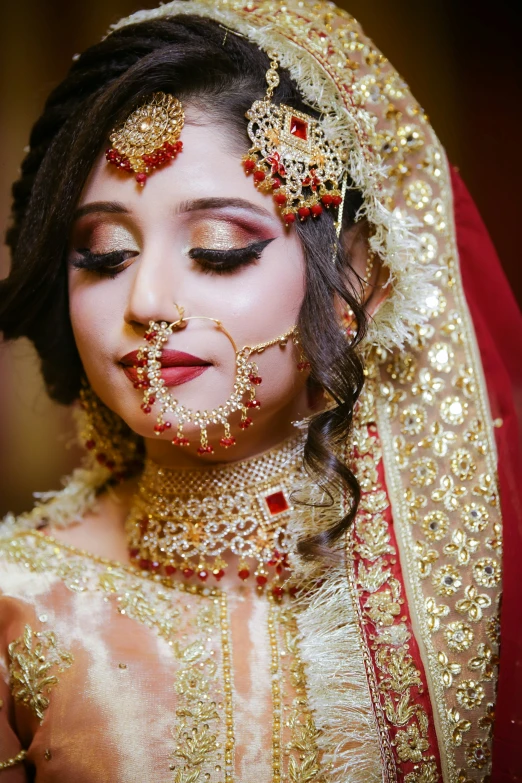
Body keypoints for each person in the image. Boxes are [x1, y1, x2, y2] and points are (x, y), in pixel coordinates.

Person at [0, 1, 520, 781]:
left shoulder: (464, 579)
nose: (145, 302)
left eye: (218, 249)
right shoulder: (22, 602)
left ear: (357, 279)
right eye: (104, 255)